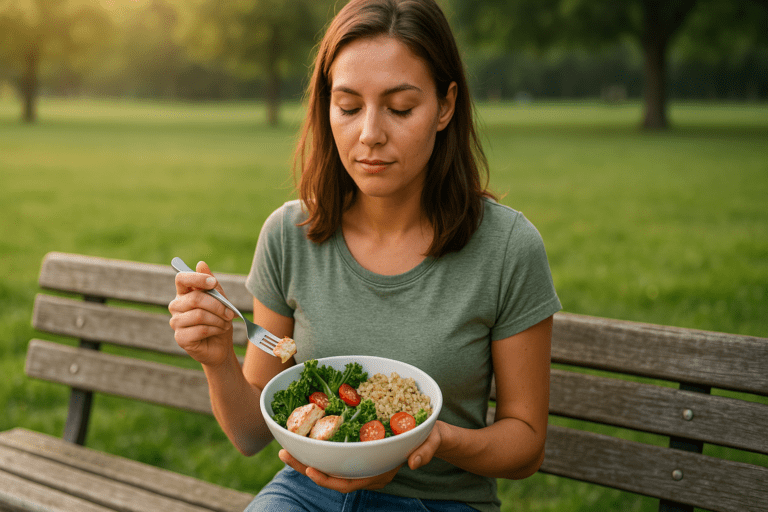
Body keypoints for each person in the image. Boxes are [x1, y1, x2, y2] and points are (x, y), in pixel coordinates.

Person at [168, 0, 561, 510]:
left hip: (440, 502)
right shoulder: (290, 235)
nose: (369, 133)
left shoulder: (507, 249)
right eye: (349, 107)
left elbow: (525, 445)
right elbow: (250, 436)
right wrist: (218, 360)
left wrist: (436, 439)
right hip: (305, 493)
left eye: (400, 108)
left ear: (445, 106)